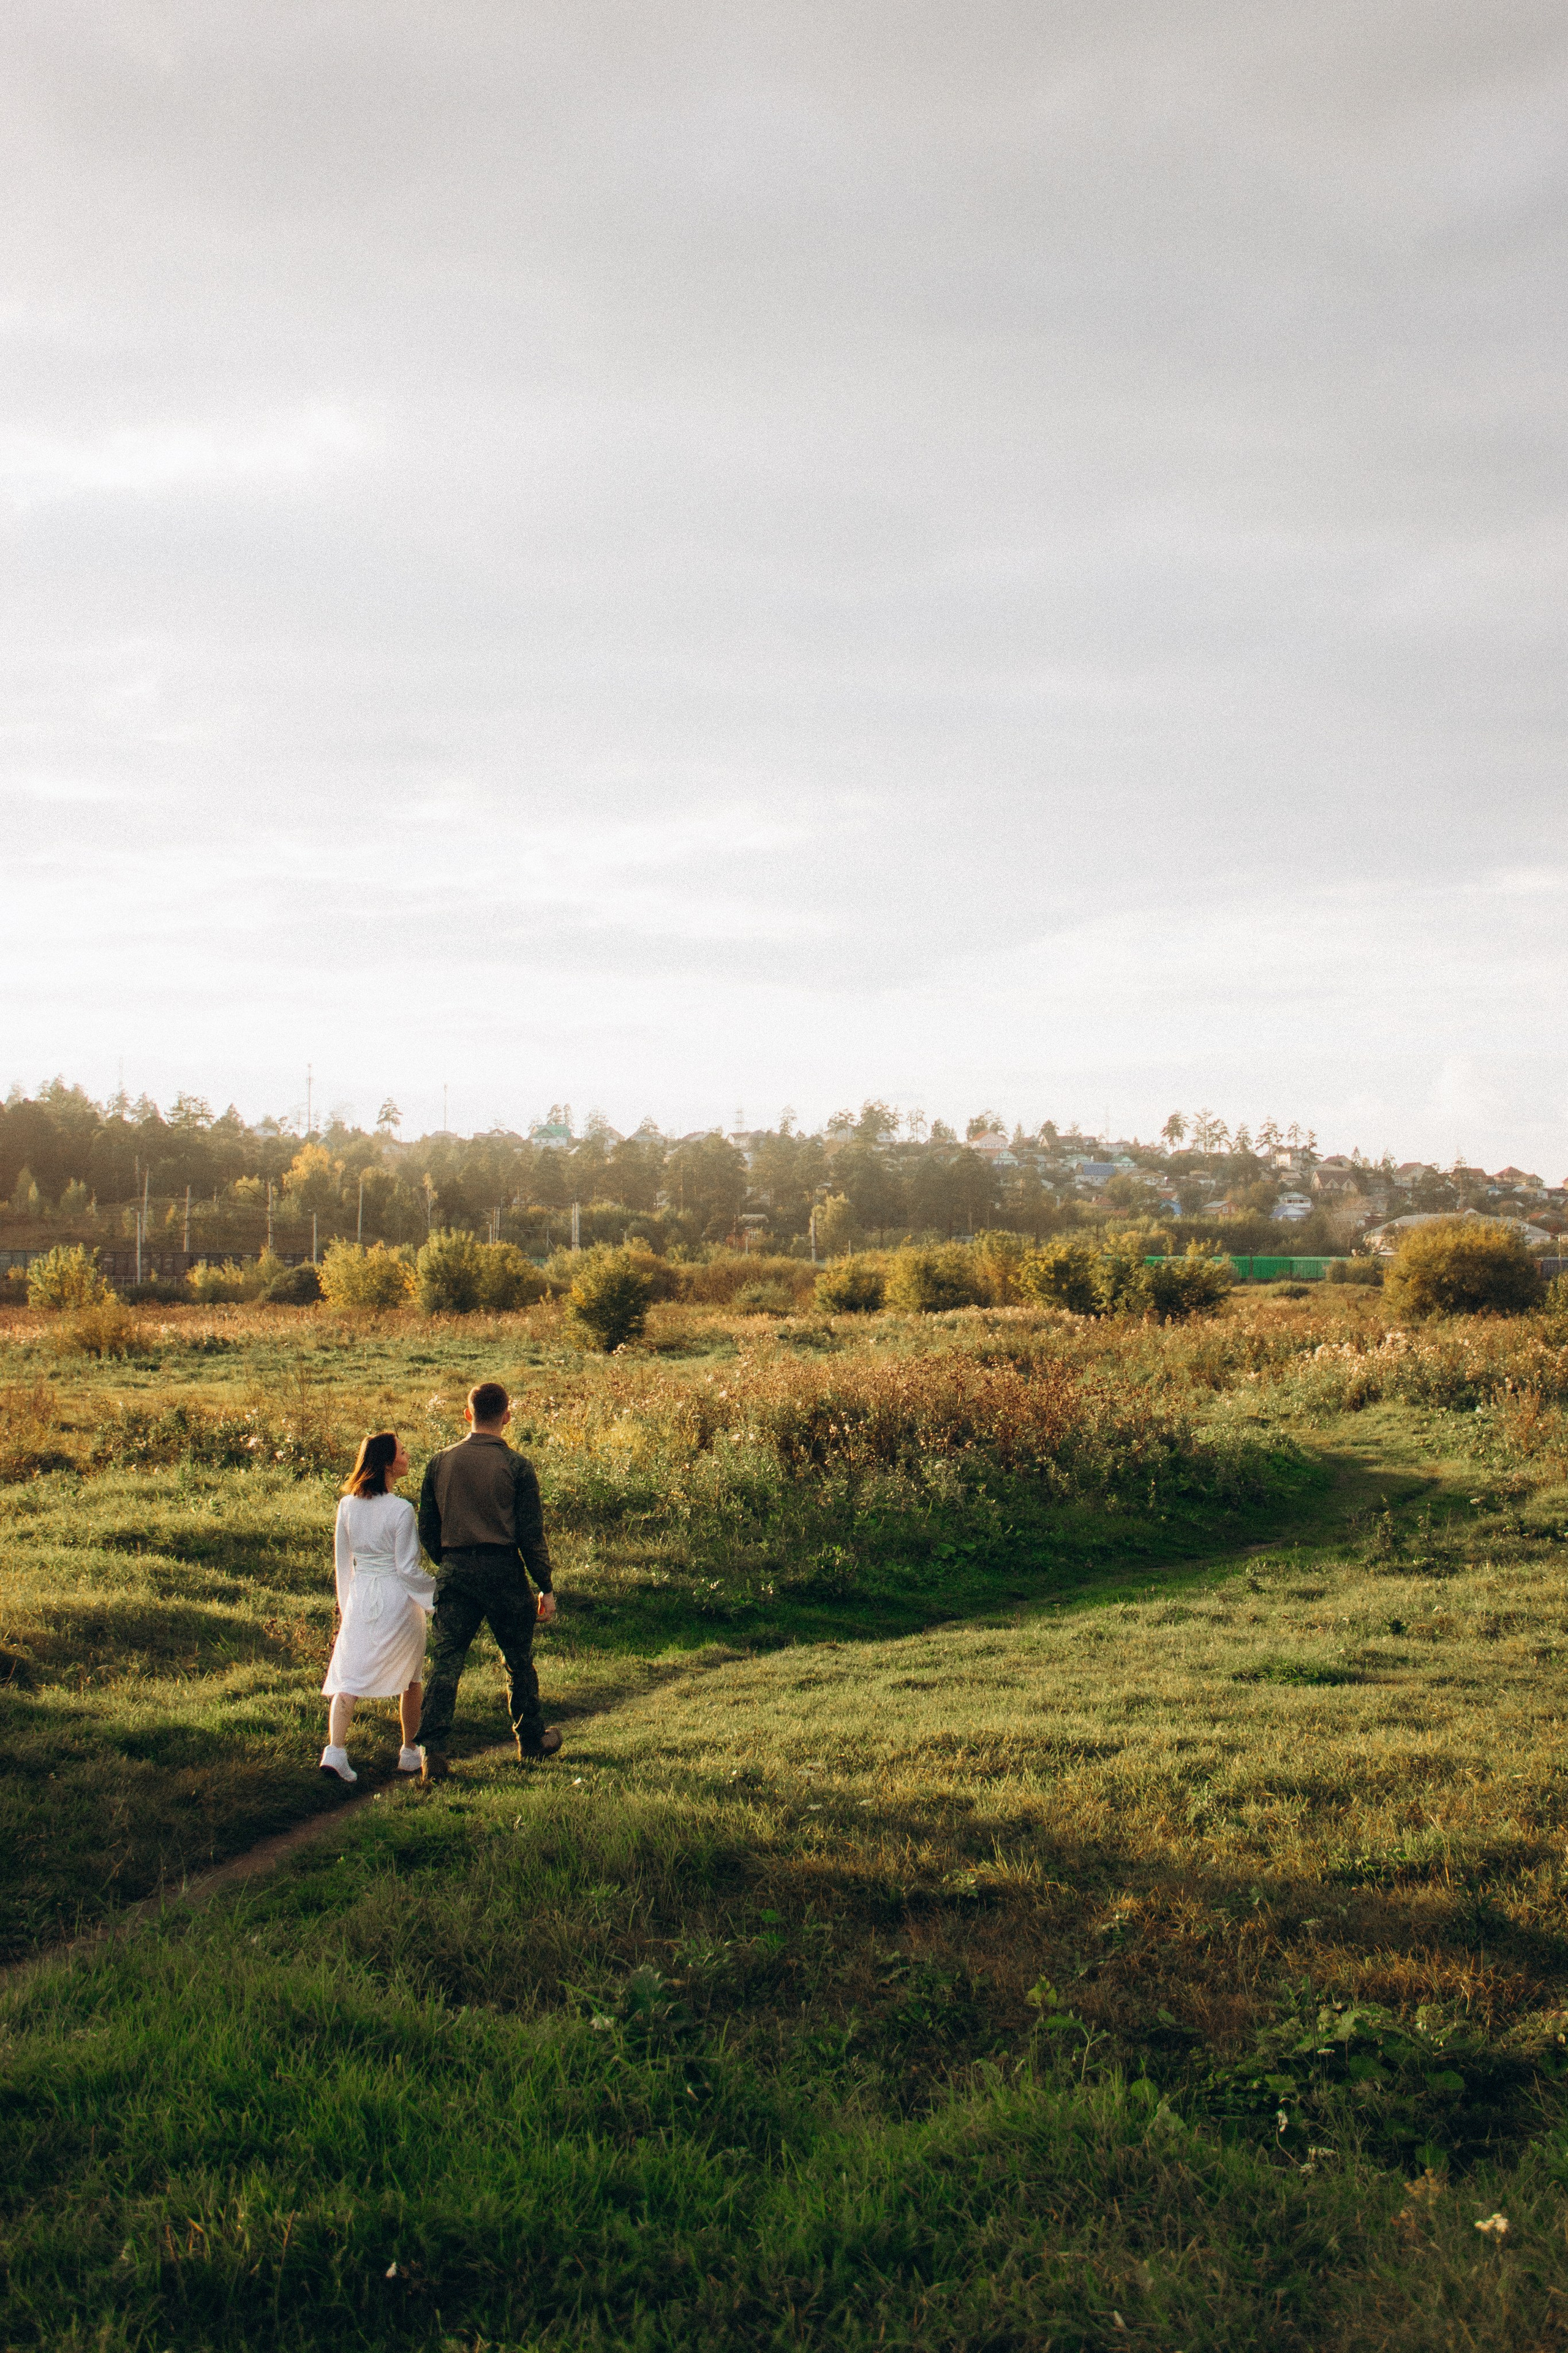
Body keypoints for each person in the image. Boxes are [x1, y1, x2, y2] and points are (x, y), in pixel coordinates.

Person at [415, 1379, 561, 1781]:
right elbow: (531, 1535)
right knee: (518, 1660)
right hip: (503, 1571)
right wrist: (545, 1586)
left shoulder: (439, 1462)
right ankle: (531, 1742)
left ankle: (434, 1755)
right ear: (507, 1417)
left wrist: (448, 1560)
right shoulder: (517, 1466)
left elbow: (427, 1526)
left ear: (468, 1414)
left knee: (446, 1664)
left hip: (456, 1569)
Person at [319, 1431, 435, 1784]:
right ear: (388, 1463)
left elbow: (343, 1563)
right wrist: (438, 1596)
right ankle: (409, 1752)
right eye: (402, 1451)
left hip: (361, 1595)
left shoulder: (347, 1506)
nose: (408, 1454)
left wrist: (346, 1607)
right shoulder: (401, 1510)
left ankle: (335, 1751)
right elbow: (407, 1568)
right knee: (412, 1677)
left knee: (348, 1673)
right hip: (398, 1599)